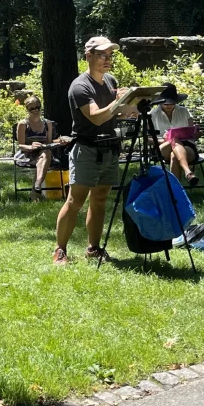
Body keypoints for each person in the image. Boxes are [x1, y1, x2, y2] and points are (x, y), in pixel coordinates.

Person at [53, 36, 138, 265]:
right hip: (86, 149)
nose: (107, 59)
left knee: (99, 200)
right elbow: (97, 117)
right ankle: (60, 250)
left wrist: (130, 108)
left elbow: (113, 114)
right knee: (75, 201)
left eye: (110, 55)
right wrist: (118, 103)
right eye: (102, 55)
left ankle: (93, 248)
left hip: (110, 148)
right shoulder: (80, 86)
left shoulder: (110, 81)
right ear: (88, 56)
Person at [15, 96, 69, 201]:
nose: (35, 110)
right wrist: (31, 146)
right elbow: (20, 145)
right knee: (44, 157)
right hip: (27, 155)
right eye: (32, 109)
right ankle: (36, 190)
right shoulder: (23, 124)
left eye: (37, 107)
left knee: (46, 152)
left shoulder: (47, 123)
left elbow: (49, 142)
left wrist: (59, 141)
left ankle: (37, 185)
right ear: (27, 110)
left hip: (44, 153)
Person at [149, 84, 200, 187]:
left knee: (174, 156)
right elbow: (147, 139)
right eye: (166, 103)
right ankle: (188, 172)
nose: (169, 105)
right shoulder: (152, 114)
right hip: (163, 146)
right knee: (173, 139)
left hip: (186, 146)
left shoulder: (184, 111)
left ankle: (175, 191)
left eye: (172, 103)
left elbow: (193, 132)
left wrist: (197, 133)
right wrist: (162, 140)